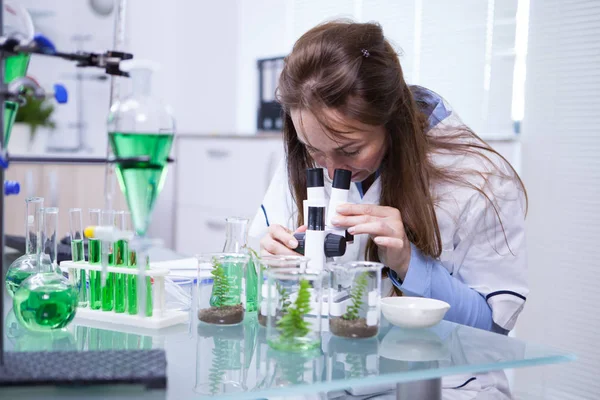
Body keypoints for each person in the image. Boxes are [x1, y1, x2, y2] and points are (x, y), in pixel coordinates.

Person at [249, 20, 528, 337]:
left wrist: (409, 263)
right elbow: (254, 264)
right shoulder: (313, 157)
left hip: (440, 380)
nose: (331, 171)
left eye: (351, 150)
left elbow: (492, 328)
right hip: (331, 371)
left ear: (393, 120)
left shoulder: (479, 179)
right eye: (314, 150)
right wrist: (272, 262)